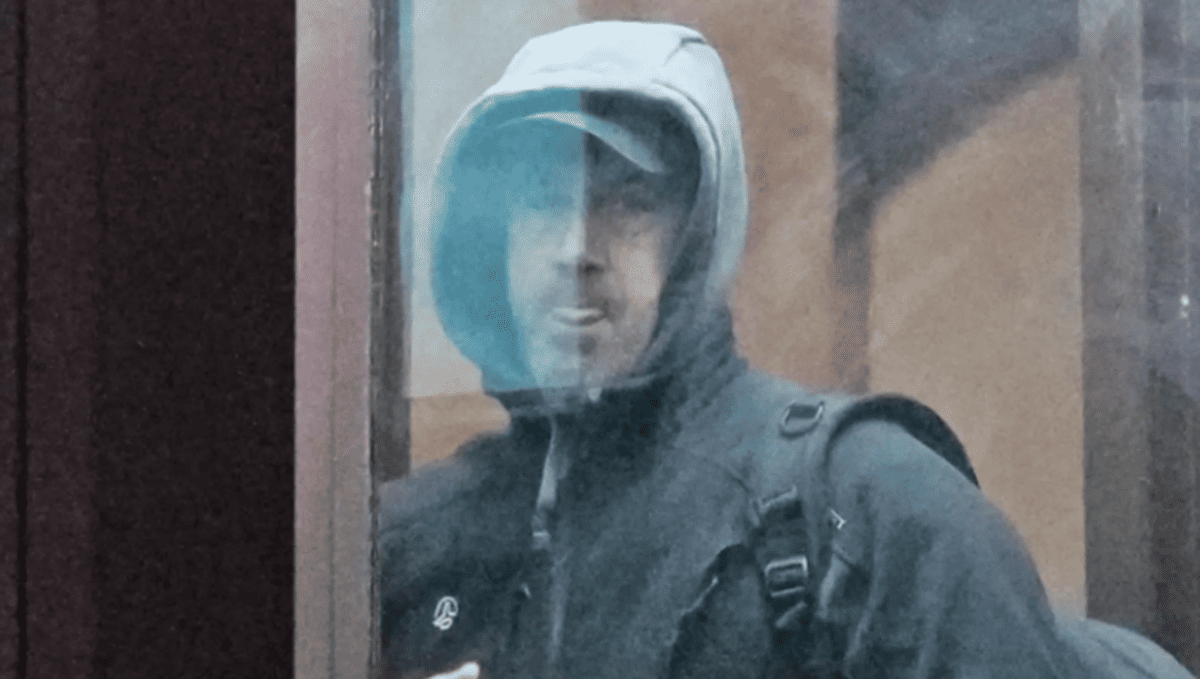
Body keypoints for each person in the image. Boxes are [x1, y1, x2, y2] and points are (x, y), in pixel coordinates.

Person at [379, 20, 1195, 679]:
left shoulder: (871, 504)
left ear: (697, 241)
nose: (574, 248)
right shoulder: (422, 542)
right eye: (542, 203)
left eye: (628, 204)